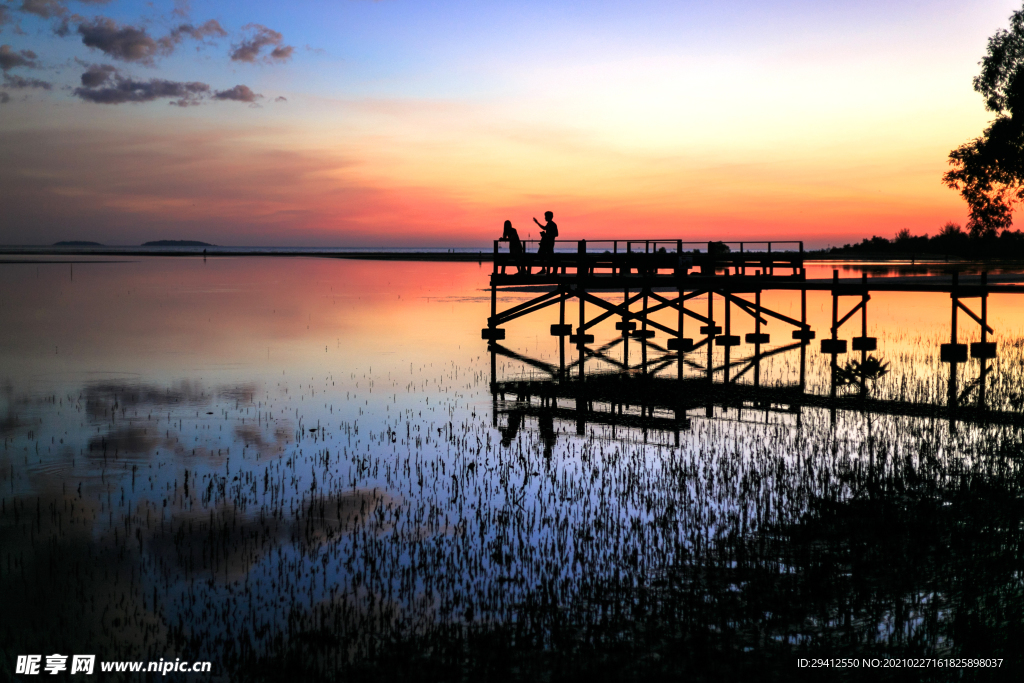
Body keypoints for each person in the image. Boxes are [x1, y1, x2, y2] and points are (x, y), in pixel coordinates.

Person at [533, 211, 558, 275]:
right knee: (542, 255)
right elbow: (544, 228)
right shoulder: (549, 224)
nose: (545, 218)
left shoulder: (552, 224)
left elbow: (556, 234)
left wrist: (547, 235)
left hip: (549, 243)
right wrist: (537, 223)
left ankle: (551, 270)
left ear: (549, 217)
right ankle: (545, 269)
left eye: (546, 216)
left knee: (548, 256)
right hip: (546, 243)